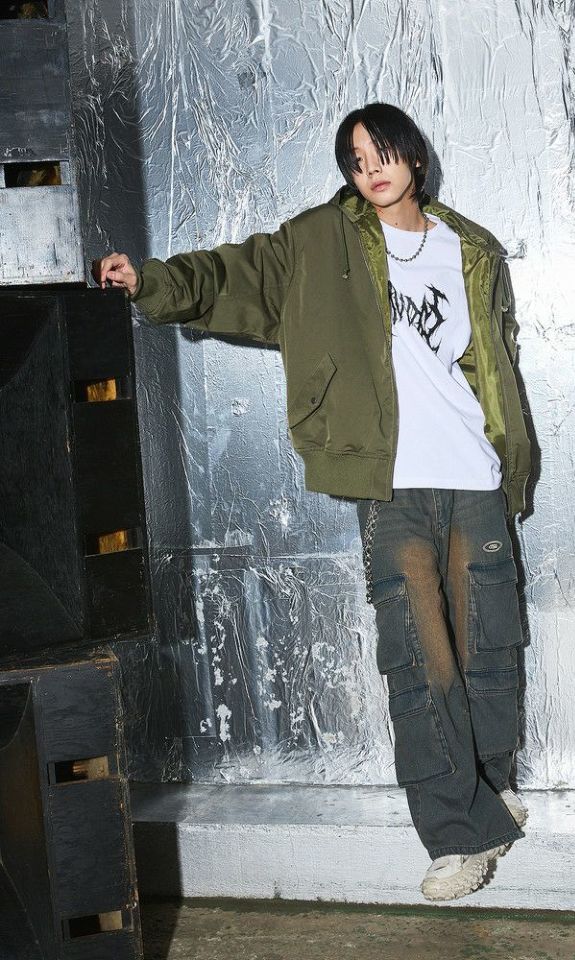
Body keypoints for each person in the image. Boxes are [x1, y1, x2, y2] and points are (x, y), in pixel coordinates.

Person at [94, 102, 533, 902]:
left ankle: (490, 796)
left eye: (383, 152)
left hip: (474, 475)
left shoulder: (470, 249)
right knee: (421, 661)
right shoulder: (319, 242)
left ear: (415, 157)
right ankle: (456, 837)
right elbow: (232, 275)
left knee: (489, 649)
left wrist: (513, 463)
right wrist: (149, 281)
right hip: (390, 481)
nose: (371, 169)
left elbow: (495, 369)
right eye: (356, 160)